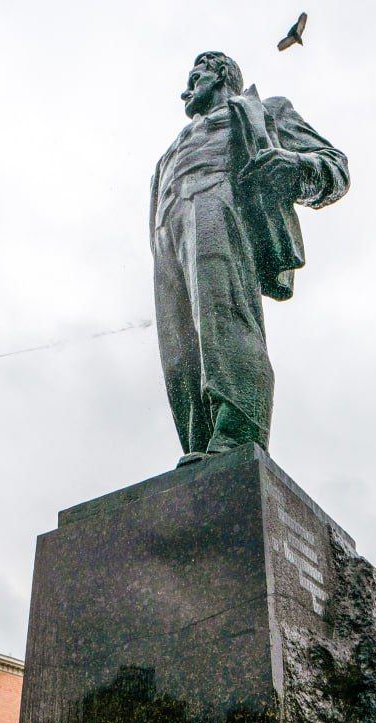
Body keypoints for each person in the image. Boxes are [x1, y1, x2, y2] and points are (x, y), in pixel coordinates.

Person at [150, 52, 348, 465]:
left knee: (223, 318)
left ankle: (238, 435)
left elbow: (335, 168)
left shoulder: (264, 111)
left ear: (220, 74)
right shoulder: (169, 152)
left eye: (196, 75)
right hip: (168, 229)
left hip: (220, 204)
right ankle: (199, 443)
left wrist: (293, 167)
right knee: (179, 345)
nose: (185, 88)